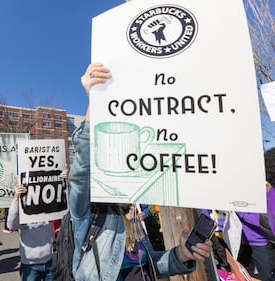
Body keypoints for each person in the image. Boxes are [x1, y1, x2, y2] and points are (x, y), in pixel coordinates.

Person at [68, 62, 214, 280]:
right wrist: (96, 100)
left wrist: (180, 256)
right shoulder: (88, 213)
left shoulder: (130, 221)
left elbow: (148, 266)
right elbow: (81, 171)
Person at [7, 184, 53, 281]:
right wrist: (16, 198)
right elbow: (11, 225)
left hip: (51, 260)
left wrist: (66, 182)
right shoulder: (22, 205)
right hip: (30, 265)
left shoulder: (51, 203)